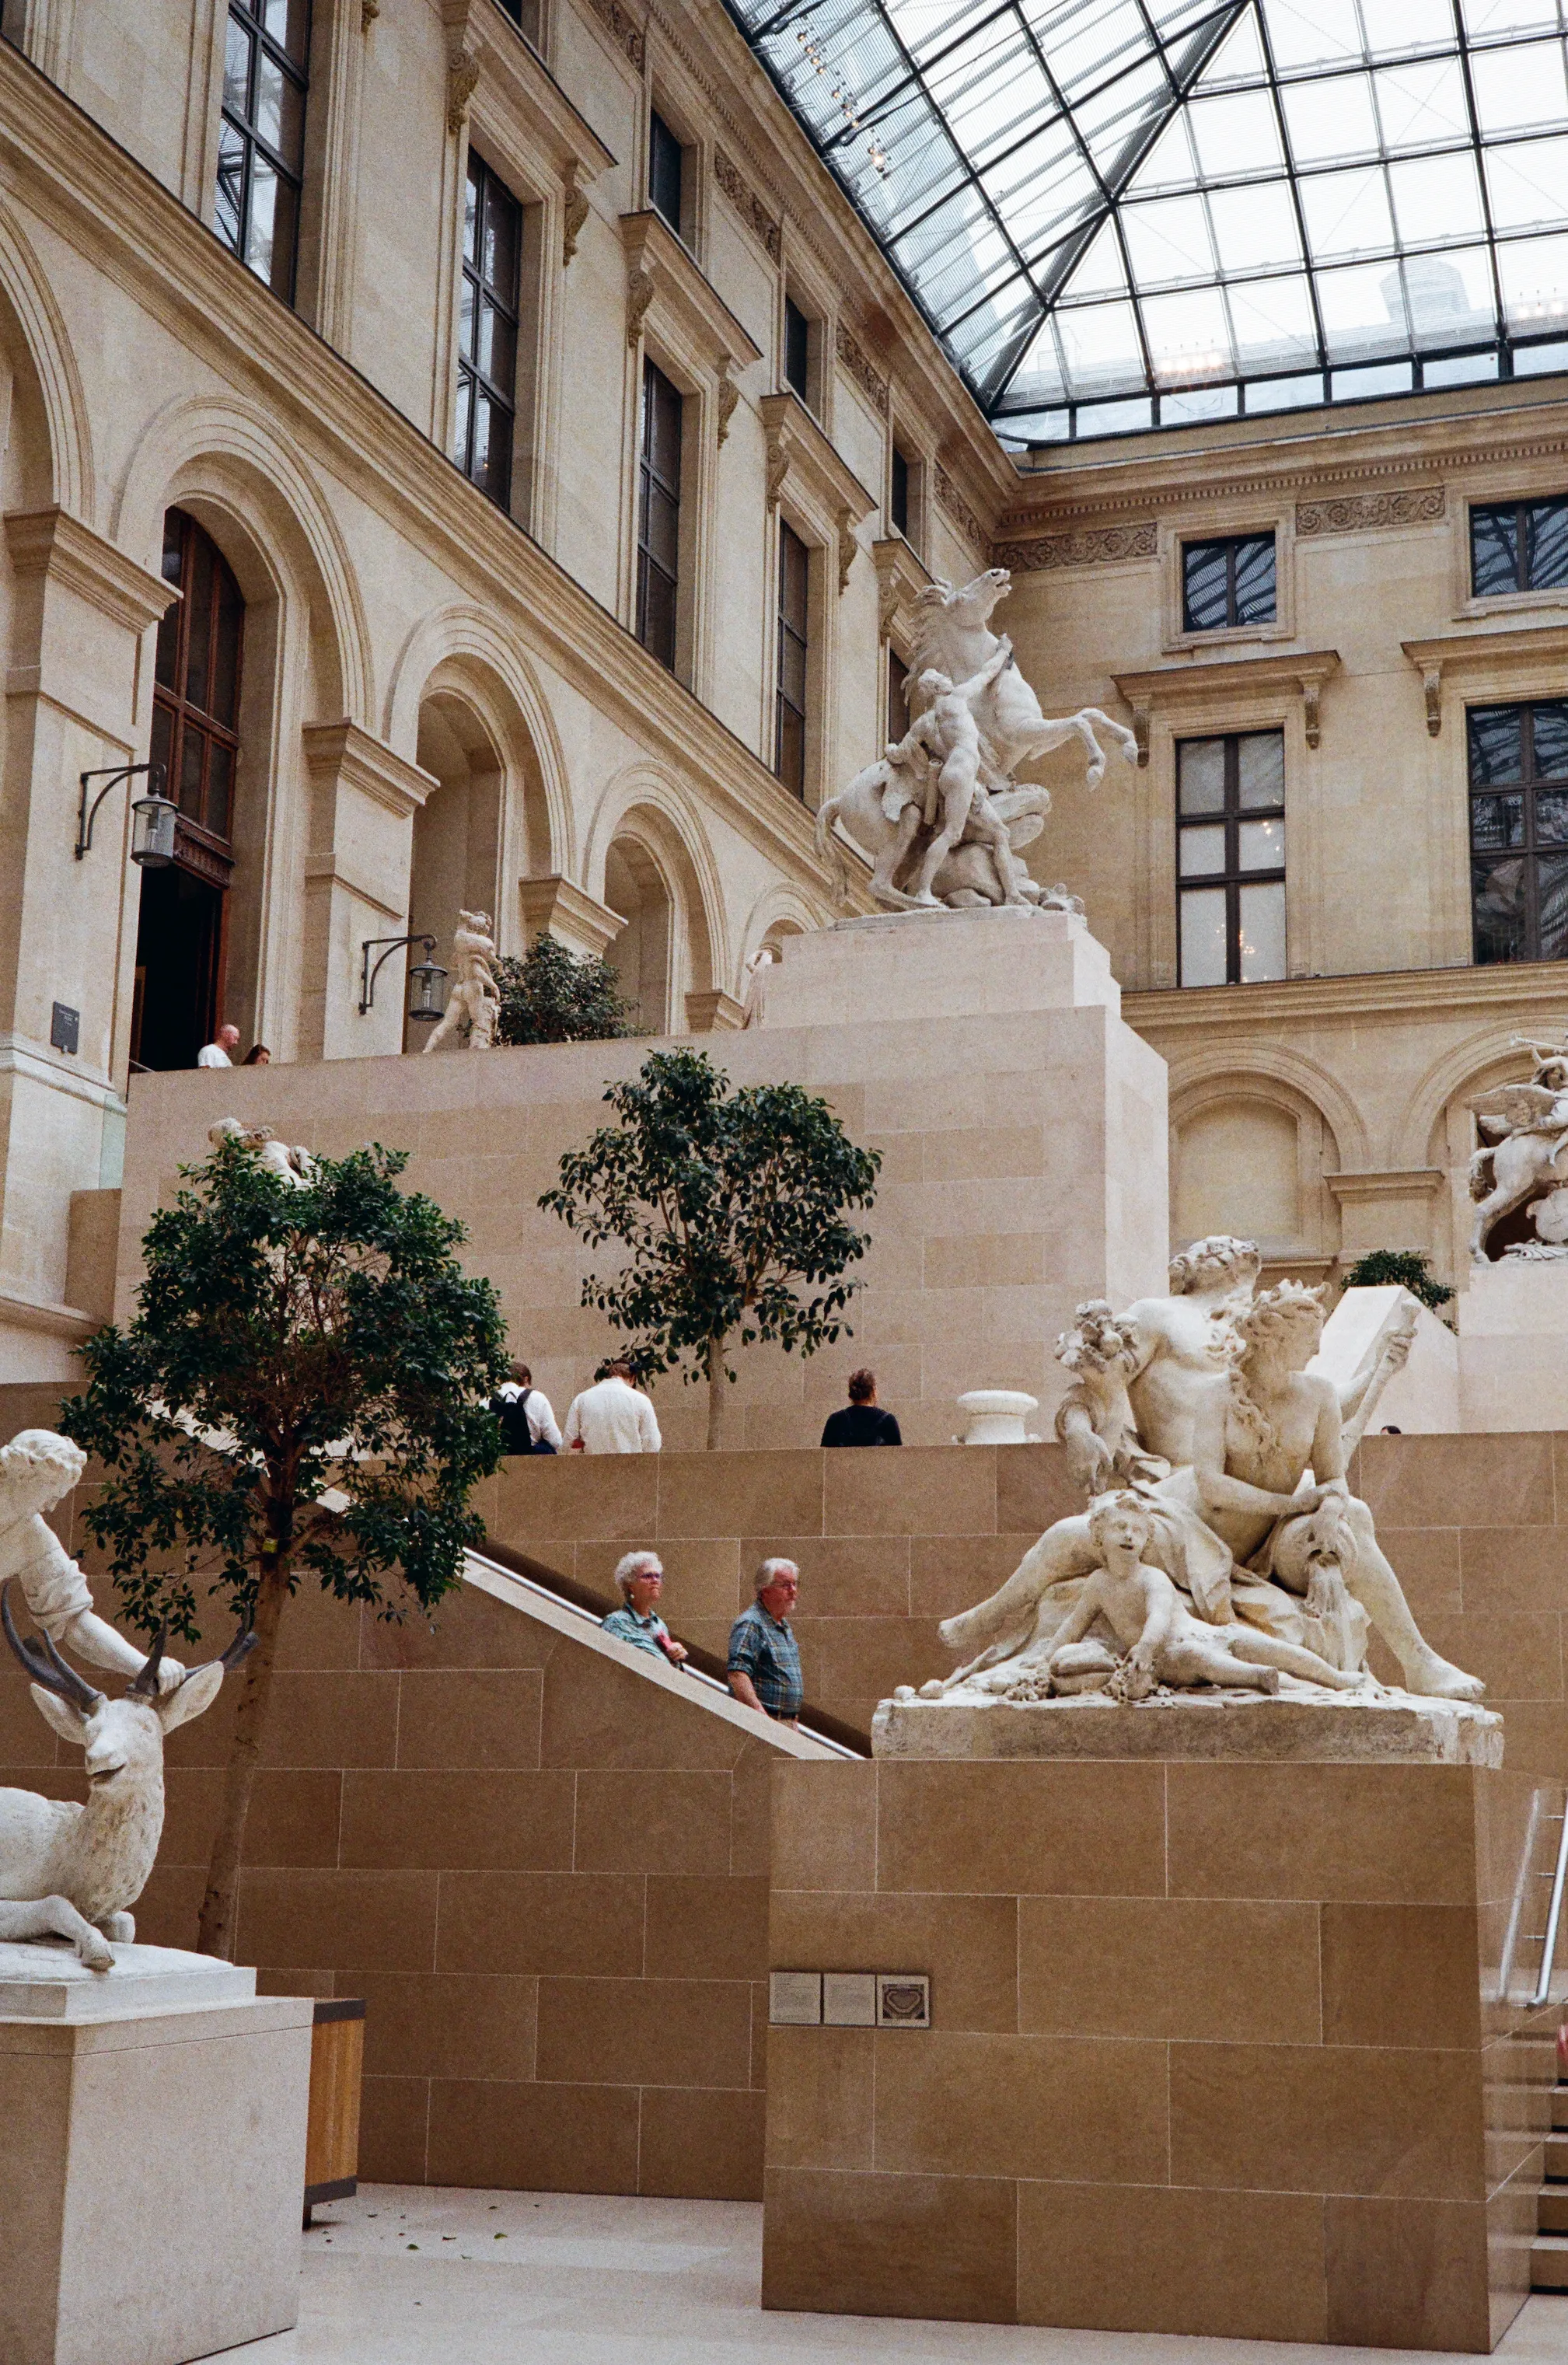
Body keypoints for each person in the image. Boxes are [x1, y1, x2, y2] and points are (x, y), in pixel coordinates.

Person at [1046, 1492, 1364, 1701]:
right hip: (1165, 1658)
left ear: (1146, 1541)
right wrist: (1045, 1658)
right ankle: (1258, 1677)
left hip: (1202, 1634)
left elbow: (1158, 1615)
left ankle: (1335, 1678)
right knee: (1200, 1660)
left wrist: (1143, 1644)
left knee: (1266, 1645)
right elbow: (1075, 1624)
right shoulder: (1097, 1584)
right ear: (1099, 1535)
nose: (1130, 1535)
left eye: (1138, 1531)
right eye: (1120, 1527)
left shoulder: (1152, 1577)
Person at [0, 1428, 184, 1690]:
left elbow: (76, 1622)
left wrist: (140, 1665)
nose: (50, 1507)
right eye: (51, 1494)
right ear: (24, 1475)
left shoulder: (32, 1539)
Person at [727, 1557, 802, 1724]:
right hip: (766, 1722)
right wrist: (761, 1719)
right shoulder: (751, 1623)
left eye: (795, 1584)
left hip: (785, 1722)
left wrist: (792, 1721)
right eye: (785, 1585)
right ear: (765, 1590)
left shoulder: (783, 1626)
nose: (793, 1591)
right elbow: (738, 1674)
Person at [599, 1551, 687, 1667]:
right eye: (648, 1576)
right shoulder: (616, 1622)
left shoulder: (659, 1624)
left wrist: (677, 1655)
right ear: (630, 1585)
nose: (655, 1580)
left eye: (658, 1576)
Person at [564, 1361, 662, 1454]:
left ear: (609, 1376)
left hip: (592, 1466)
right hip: (631, 1466)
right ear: (632, 1378)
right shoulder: (641, 1400)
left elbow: (570, 1439)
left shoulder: (582, 1399)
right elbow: (652, 1443)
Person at [491, 1360, 560, 1455]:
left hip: (496, 1459)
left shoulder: (487, 1399)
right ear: (526, 1379)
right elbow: (555, 1441)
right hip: (529, 1459)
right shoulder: (537, 1397)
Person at [820, 1370, 900, 1448]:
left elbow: (824, 1457)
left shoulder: (835, 1420)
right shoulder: (888, 1421)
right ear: (873, 1391)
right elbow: (897, 1457)